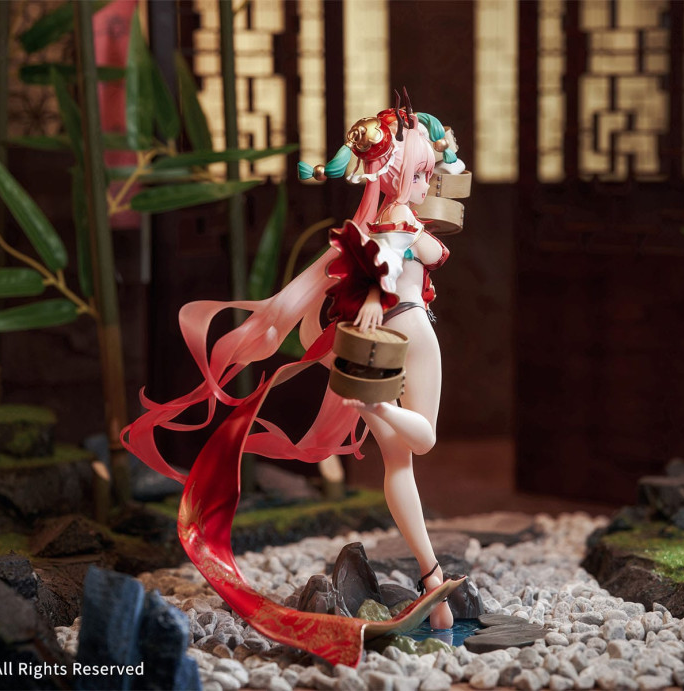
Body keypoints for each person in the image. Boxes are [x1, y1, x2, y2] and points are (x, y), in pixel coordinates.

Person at [121, 95, 463, 663]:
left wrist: (440, 152)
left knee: (399, 466)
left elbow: (396, 247)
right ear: (395, 174)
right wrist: (378, 289)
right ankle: (375, 406)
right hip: (413, 335)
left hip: (386, 340)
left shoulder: (372, 225)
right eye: (420, 171)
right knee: (421, 440)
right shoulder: (394, 226)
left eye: (427, 171)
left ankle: (432, 580)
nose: (428, 180)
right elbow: (411, 252)